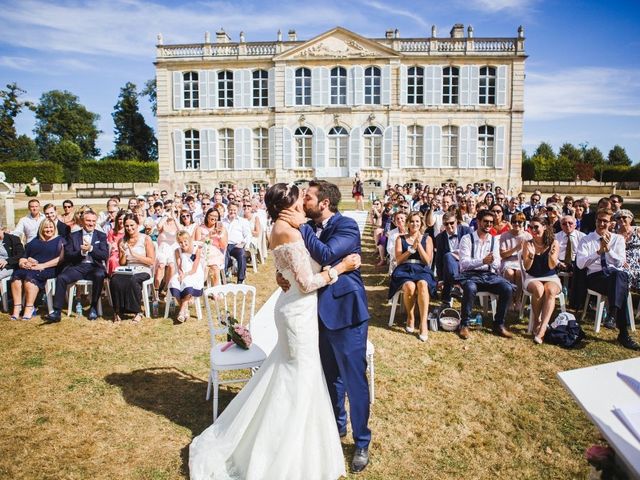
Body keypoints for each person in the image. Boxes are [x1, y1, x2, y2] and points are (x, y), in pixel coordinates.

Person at [190, 183, 360, 479]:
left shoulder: (284, 226)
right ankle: (284, 451)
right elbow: (307, 283)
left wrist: (281, 276)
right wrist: (341, 268)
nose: (303, 202)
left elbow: (285, 267)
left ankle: (307, 441)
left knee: (293, 374)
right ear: (287, 204)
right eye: (300, 197)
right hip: (298, 311)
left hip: (295, 308)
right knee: (297, 377)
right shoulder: (289, 230)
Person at [278, 180, 371, 472]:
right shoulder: (300, 228)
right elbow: (297, 264)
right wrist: (283, 277)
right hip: (311, 314)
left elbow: (328, 255)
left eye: (308, 197)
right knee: (329, 377)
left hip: (345, 311)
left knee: (353, 379)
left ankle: (362, 441)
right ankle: (335, 427)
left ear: (324, 203)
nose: (302, 201)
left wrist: (302, 227)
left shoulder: (347, 226)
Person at [577, 208, 639, 350]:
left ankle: (612, 315)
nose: (602, 224)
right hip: (596, 277)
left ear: (611, 223)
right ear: (595, 221)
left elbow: (620, 262)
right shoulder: (586, 240)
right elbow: (580, 264)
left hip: (614, 275)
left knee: (619, 276)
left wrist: (608, 250)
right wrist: (599, 252)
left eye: (605, 221)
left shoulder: (618, 239)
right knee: (621, 283)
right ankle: (622, 332)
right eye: (599, 220)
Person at [456, 209, 514, 340]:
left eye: (491, 222)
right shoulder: (467, 239)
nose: (488, 225)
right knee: (470, 288)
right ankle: (464, 324)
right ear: (478, 222)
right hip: (470, 275)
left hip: (489, 275)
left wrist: (490, 263)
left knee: (507, 288)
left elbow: (497, 264)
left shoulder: (494, 241)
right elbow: (464, 264)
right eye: (486, 222)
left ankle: (498, 324)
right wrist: (482, 261)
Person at [47, 210, 109, 322]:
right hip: (78, 266)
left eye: (93, 221)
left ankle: (93, 307)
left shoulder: (101, 236)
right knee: (61, 278)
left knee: (99, 275)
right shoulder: (73, 236)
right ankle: (57, 312)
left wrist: (91, 249)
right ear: (82, 221)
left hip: (94, 266)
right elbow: (68, 255)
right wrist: (81, 252)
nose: (91, 223)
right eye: (88, 220)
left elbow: (104, 255)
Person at [388, 212, 436, 341]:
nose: (414, 224)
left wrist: (419, 245)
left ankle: (423, 322)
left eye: (417, 222)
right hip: (404, 268)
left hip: (422, 269)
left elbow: (427, 261)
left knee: (422, 284)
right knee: (409, 286)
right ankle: (410, 316)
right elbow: (398, 260)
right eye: (412, 221)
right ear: (408, 223)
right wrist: (411, 249)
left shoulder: (427, 238)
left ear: (421, 224)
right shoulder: (400, 238)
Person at [10, 219, 64, 321]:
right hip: (32, 267)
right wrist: (22, 262)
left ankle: (29, 308)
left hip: (50, 268)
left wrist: (42, 265)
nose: (48, 229)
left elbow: (60, 259)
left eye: (51, 227)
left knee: (30, 277)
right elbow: (24, 255)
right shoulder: (34, 241)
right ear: (41, 229)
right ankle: (17, 307)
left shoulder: (60, 240)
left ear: (54, 228)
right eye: (46, 227)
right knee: (17, 275)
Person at [521, 216, 562, 344]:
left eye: (536, 227)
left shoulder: (553, 243)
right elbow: (527, 267)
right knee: (539, 289)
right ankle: (536, 321)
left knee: (550, 290)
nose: (533, 230)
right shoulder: (528, 243)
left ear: (544, 227)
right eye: (531, 227)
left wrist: (551, 256)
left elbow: (551, 266)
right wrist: (532, 256)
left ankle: (542, 328)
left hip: (550, 276)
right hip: (532, 277)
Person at [109, 213, 155, 323]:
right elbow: (122, 263)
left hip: (143, 269)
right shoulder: (122, 241)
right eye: (127, 226)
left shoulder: (146, 239)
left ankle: (137, 311)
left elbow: (151, 261)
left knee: (133, 280)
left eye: (132, 225)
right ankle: (118, 311)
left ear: (137, 224)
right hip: (129, 269)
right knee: (115, 279)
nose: (129, 228)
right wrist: (124, 254)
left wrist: (135, 255)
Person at [167, 231, 205, 323]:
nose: (183, 244)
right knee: (173, 281)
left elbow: (194, 269)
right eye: (180, 242)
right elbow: (179, 266)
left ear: (189, 240)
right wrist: (180, 274)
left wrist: (185, 275)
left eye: (185, 241)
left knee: (187, 282)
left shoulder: (197, 249)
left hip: (194, 273)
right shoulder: (177, 251)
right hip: (183, 272)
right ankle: (185, 310)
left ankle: (181, 311)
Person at [434, 212, 470, 308]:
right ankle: (457, 287)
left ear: (457, 222)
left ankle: (446, 301)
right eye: (446, 224)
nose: (449, 226)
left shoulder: (466, 231)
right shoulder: (440, 238)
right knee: (447, 257)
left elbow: (472, 251)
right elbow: (438, 260)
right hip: (449, 267)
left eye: (451, 223)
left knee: (448, 256)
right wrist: (440, 279)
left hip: (466, 265)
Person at [499, 212, 531, 311]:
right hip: (508, 261)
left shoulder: (528, 236)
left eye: (520, 222)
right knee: (509, 272)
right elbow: (502, 255)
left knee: (519, 273)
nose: (517, 224)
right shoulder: (505, 235)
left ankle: (518, 300)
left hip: (521, 261)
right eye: (514, 222)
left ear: (524, 223)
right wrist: (516, 248)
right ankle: (509, 300)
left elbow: (529, 254)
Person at [195, 208, 227, 286]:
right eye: (211, 215)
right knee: (205, 269)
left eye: (216, 216)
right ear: (207, 216)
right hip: (202, 252)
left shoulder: (222, 229)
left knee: (215, 267)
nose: (213, 218)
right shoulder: (200, 228)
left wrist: (220, 235)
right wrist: (208, 235)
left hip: (215, 253)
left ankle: (215, 292)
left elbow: (224, 246)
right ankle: (198, 287)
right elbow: (197, 243)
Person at [223, 203, 251, 284]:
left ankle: (240, 279)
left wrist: (243, 243)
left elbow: (248, 235)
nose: (232, 212)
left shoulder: (242, 221)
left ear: (237, 210)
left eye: (234, 210)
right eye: (231, 210)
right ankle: (224, 277)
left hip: (237, 246)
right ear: (227, 210)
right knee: (224, 256)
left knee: (242, 254)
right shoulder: (223, 221)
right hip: (225, 245)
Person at [614, 209, 640, 292]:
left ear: (630, 219)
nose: (621, 219)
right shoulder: (614, 234)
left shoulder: (637, 230)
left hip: (637, 261)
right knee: (623, 274)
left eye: (624, 217)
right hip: (622, 262)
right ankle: (624, 298)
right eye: (618, 218)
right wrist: (621, 260)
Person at [107, 210, 126, 275]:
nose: (122, 221)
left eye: (124, 219)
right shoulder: (112, 231)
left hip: (126, 252)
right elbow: (110, 244)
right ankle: (113, 277)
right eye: (120, 219)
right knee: (112, 259)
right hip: (115, 252)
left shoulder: (129, 231)